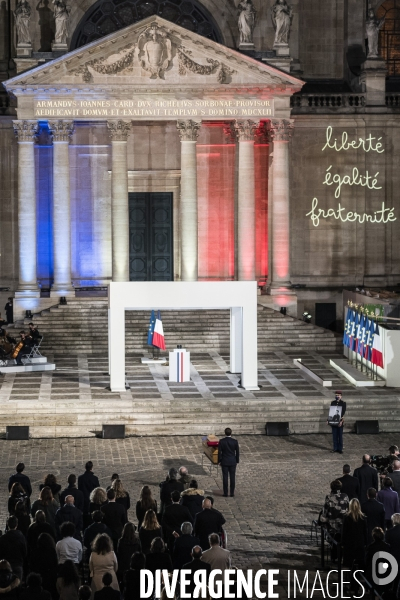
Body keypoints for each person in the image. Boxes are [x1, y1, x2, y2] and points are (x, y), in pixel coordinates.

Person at [341, 499, 367, 579]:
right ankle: (356, 578)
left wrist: (342, 543)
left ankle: (350, 578)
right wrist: (365, 543)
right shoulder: (363, 518)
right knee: (358, 562)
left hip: (349, 544)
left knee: (350, 563)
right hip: (359, 543)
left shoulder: (346, 517)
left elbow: (344, 532)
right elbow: (365, 532)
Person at [28, 533, 58, 599]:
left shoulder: (35, 552)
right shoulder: (52, 551)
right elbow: (55, 564)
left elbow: (31, 565)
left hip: (38, 577)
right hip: (50, 577)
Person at [0, 515, 27, 581]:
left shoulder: (3, 538)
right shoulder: (21, 537)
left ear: (7, 524)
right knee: (18, 586)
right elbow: (25, 552)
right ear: (16, 525)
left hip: (6, 567)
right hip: (18, 564)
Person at [218, 427, 239, 497]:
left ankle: (225, 493)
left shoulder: (222, 441)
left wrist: (219, 461)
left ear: (225, 433)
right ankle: (232, 492)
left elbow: (219, 452)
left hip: (224, 461)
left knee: (225, 477)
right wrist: (237, 461)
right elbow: (237, 452)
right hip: (232, 461)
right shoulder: (235, 441)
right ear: (231, 433)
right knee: (232, 477)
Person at [385, 513, 400, 594]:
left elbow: (386, 546)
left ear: (392, 521)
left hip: (391, 558)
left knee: (390, 580)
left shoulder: (389, 532)